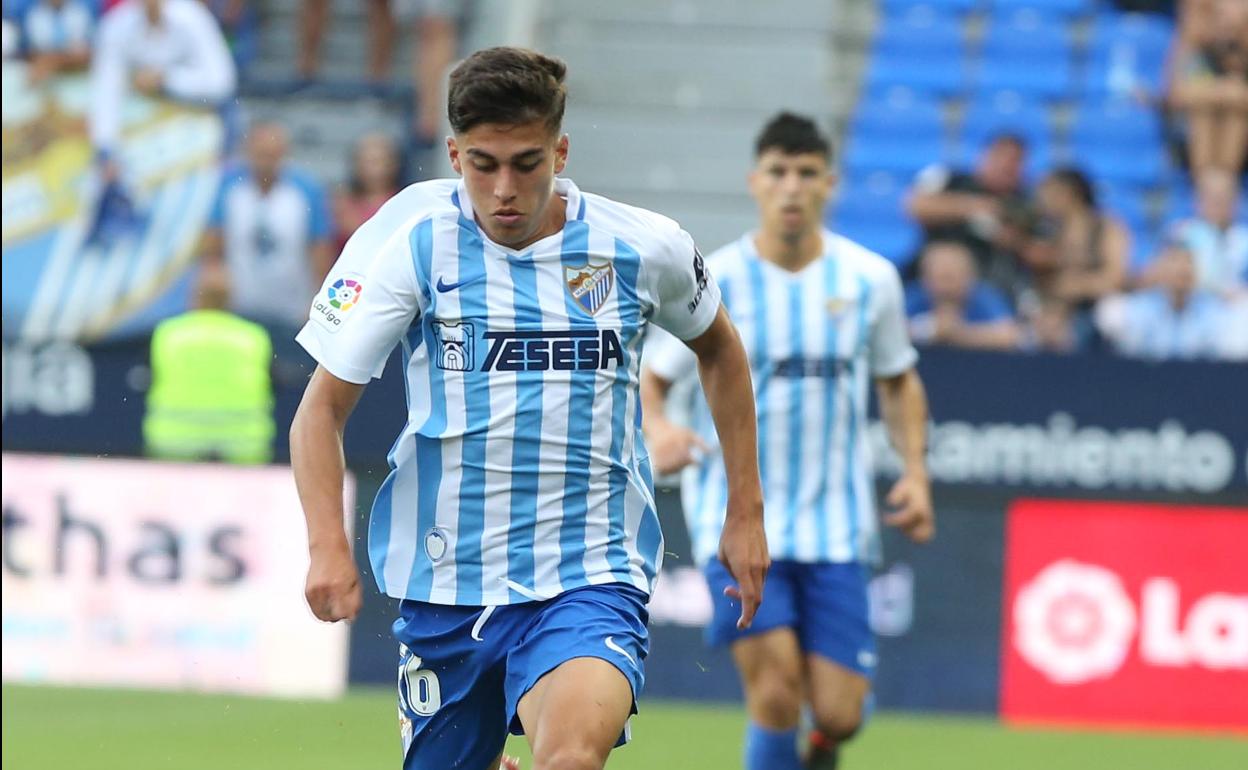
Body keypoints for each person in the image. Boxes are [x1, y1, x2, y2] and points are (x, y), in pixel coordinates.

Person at [288, 47, 768, 770]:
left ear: (561, 150)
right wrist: (327, 543)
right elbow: (318, 413)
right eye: (483, 164)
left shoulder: (641, 247)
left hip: (589, 574)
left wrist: (745, 512)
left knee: (570, 758)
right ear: (453, 154)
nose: (504, 188)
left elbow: (722, 353)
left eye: (527, 162)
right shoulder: (413, 246)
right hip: (445, 586)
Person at [642, 113, 934, 770]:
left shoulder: (869, 280)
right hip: (739, 518)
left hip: (838, 525)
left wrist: (915, 472)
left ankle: (823, 748)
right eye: (779, 172)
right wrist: (658, 428)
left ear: (829, 183)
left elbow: (897, 381)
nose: (792, 187)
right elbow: (652, 379)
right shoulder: (713, 280)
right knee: (774, 694)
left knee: (838, 712)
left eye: (807, 174)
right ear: (755, 182)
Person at [201, 121, 334, 336]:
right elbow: (214, 241)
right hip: (239, 303)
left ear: (284, 154)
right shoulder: (228, 187)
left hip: (292, 306)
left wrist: (317, 298)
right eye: (260, 154)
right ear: (248, 151)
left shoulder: (306, 189)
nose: (266, 162)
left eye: (272, 155)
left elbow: (319, 246)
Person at [143, 261, 276, 463]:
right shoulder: (252, 337)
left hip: (176, 439)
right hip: (242, 442)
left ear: (193, 296)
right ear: (230, 299)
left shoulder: (169, 334)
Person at [906, 134, 1032, 301]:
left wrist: (1011, 240)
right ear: (985, 156)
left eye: (1015, 161)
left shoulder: (1023, 200)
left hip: (988, 282)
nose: (1007, 166)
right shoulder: (954, 180)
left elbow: (1035, 248)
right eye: (1001, 157)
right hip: (929, 276)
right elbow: (915, 206)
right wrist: (974, 207)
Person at [1021, 168, 1130, 344]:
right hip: (1051, 307)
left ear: (1071, 194)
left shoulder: (1107, 227)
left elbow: (1115, 277)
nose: (1042, 198)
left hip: (1093, 308)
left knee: (1112, 313)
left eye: (1049, 191)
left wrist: (1075, 286)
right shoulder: (1045, 229)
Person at [1096, 240, 1247, 360]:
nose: (1182, 268)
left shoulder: (1214, 313)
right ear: (1160, 268)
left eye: (1188, 261)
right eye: (1174, 261)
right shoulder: (1137, 309)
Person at [1166, 0, 1248, 174]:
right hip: (1193, 131)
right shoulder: (1193, 44)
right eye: (1218, 13)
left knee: (1236, 116)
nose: (1228, 20)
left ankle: (1223, 186)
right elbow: (1175, 95)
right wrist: (1224, 91)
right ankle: (1208, 188)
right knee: (1203, 113)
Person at [907, 240, 1021, 351]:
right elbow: (894, 332)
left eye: (951, 277)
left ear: (970, 276)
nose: (946, 287)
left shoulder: (985, 296)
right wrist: (930, 328)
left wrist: (958, 333)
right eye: (939, 277)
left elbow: (1009, 336)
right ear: (924, 277)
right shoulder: (915, 295)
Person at [1164, 168, 1248, 296]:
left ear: (1236, 201)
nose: (1218, 203)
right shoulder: (1181, 233)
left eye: (1224, 197)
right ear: (1197, 200)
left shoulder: (1244, 237)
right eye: (1211, 197)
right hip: (1191, 303)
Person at [333, 132, 402, 255]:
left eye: (381, 161)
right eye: (369, 162)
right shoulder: (341, 204)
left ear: (393, 164)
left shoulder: (404, 202)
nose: (376, 170)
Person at [21, 0, 94, 85]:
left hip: (76, 73)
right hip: (46, 75)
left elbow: (83, 53)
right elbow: (36, 53)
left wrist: (54, 60)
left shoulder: (80, 12)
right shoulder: (34, 15)